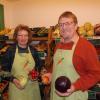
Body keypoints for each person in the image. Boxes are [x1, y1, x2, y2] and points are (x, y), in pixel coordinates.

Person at [50, 11, 100, 100]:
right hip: (55, 95)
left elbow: (96, 74)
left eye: (68, 23)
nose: (64, 27)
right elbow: (57, 68)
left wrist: (75, 86)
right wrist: (50, 75)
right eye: (60, 25)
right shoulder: (58, 46)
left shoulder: (86, 46)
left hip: (75, 95)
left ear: (76, 25)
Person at [2, 24, 42, 100]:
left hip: (32, 90)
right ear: (16, 37)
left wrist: (36, 74)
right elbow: (3, 71)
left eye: (25, 35)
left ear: (29, 37)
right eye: (20, 35)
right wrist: (13, 80)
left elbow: (39, 66)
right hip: (16, 89)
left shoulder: (33, 51)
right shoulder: (10, 51)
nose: (23, 38)